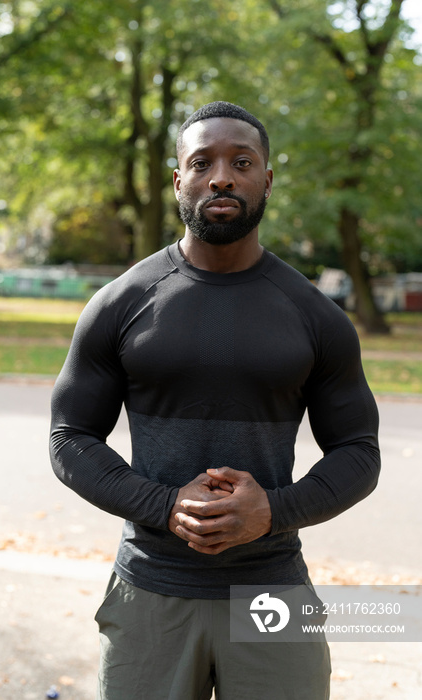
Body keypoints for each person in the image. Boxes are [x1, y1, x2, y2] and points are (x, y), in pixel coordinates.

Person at [50, 101, 380, 699]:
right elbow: (68, 438)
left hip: (271, 593)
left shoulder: (316, 317)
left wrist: (272, 513)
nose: (221, 176)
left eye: (242, 161)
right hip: (151, 591)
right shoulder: (121, 303)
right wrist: (163, 503)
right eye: (202, 162)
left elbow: (359, 451)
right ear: (179, 181)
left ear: (267, 179)